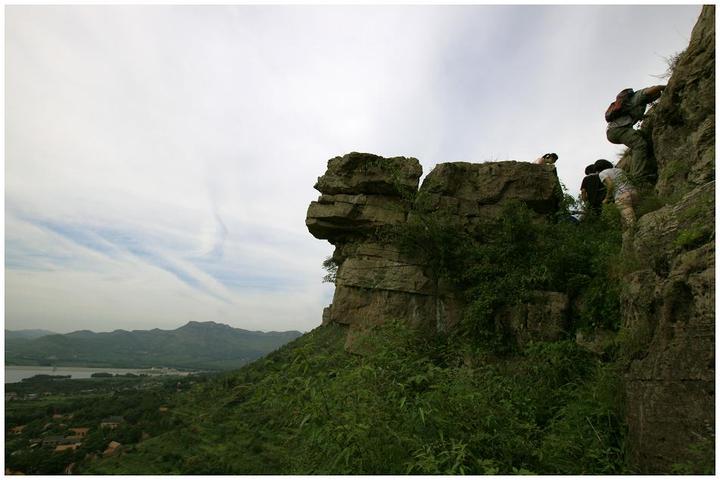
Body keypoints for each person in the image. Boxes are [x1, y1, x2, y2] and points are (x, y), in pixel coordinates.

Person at [605, 85, 666, 185]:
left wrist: (644, 116)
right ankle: (638, 177)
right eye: (656, 96)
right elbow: (655, 88)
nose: (656, 98)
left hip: (613, 132)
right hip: (618, 130)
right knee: (639, 145)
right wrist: (665, 87)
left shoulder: (633, 102)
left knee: (641, 140)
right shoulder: (639, 95)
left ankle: (636, 170)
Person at [594, 159, 637, 227]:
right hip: (633, 192)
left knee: (630, 221)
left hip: (621, 196)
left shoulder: (602, 173)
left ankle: (635, 233)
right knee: (633, 215)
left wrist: (607, 198)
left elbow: (610, 185)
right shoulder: (619, 170)